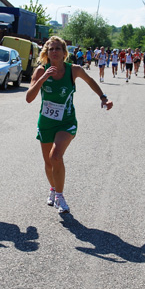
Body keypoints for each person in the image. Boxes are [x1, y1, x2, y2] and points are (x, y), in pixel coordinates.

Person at [26, 36, 113, 214]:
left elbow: (90, 81)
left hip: (66, 122)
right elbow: (29, 98)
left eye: (58, 48)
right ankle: (52, 189)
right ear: (47, 53)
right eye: (51, 49)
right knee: (48, 163)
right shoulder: (40, 71)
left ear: (64, 53)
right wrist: (43, 78)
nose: (55, 51)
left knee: (55, 156)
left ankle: (60, 195)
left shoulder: (74, 70)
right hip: (46, 123)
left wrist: (103, 97)